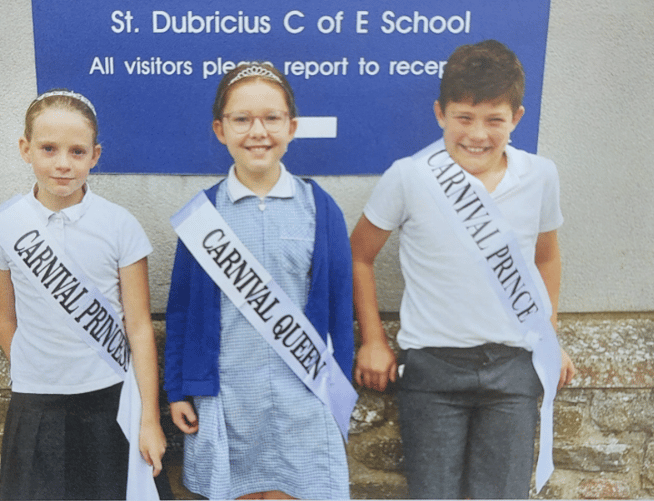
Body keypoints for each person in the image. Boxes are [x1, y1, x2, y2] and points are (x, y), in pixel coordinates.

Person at [351, 40, 576, 499]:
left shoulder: (540, 176)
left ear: (517, 117)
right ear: (440, 114)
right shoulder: (409, 177)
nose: (478, 133)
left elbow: (546, 257)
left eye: (495, 119)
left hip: (514, 369)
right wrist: (373, 339)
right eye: (464, 118)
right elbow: (359, 256)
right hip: (433, 370)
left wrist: (548, 335)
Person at [164, 63, 354, 500]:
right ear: (220, 128)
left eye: (271, 118)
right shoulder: (204, 215)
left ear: (291, 127)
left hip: (304, 397)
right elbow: (180, 311)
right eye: (241, 119)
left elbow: (340, 311)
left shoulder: (320, 209)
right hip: (230, 396)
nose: (258, 131)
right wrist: (178, 389)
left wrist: (339, 392)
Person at [0, 89, 166, 500]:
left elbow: (137, 326)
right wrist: (37, 368)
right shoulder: (2, 227)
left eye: (77, 152)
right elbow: (4, 318)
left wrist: (149, 419)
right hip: (36, 403)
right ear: (26, 150)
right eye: (48, 148)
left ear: (95, 155)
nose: (63, 163)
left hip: (111, 400)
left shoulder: (119, 225)